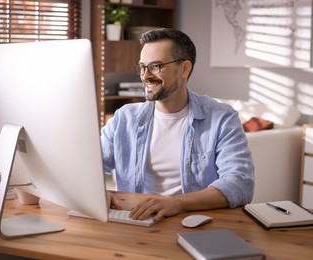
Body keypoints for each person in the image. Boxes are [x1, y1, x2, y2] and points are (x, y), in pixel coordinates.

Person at [101, 28, 254, 222]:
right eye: (142, 67)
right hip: (135, 222)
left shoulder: (221, 119)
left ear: (184, 69)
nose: (145, 76)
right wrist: (97, 191)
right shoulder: (124, 118)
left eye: (155, 66)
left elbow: (240, 183)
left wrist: (177, 203)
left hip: (194, 224)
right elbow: (89, 165)